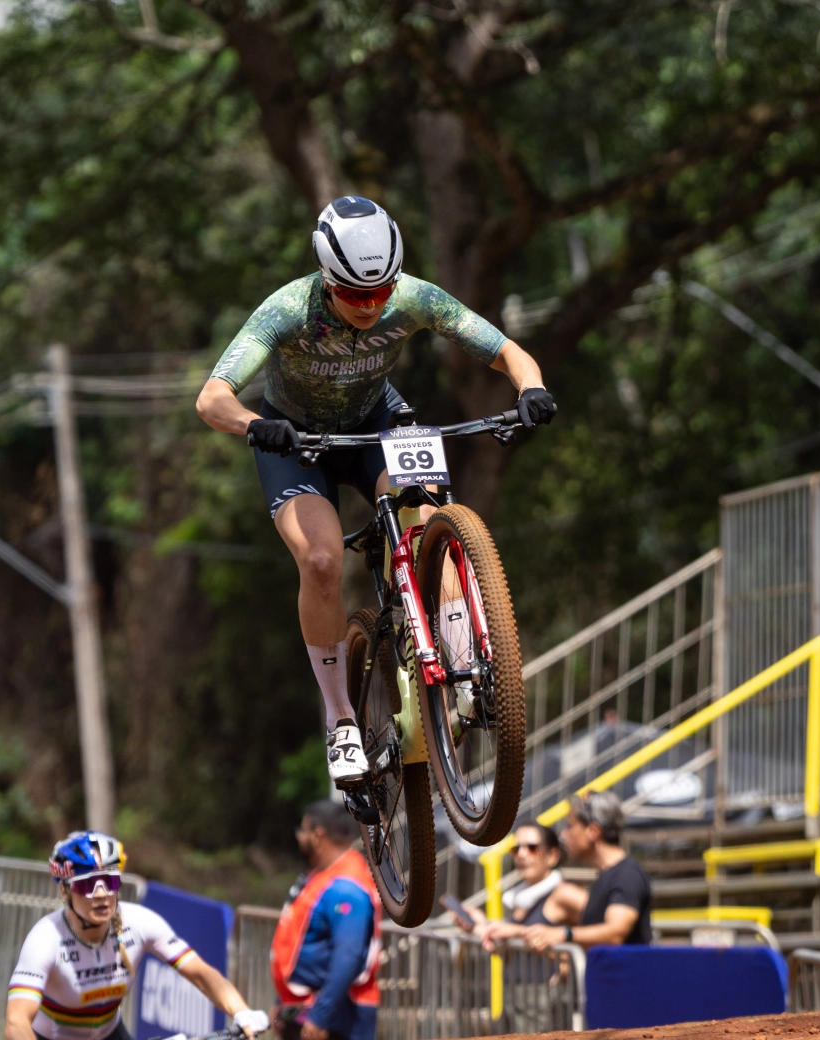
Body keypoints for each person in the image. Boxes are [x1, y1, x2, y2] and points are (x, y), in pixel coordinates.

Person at [196, 196, 556, 786]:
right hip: (298, 441)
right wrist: (256, 426)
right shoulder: (286, 309)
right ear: (325, 278)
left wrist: (531, 387)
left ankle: (463, 659)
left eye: (381, 293)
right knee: (319, 561)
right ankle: (341, 718)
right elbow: (211, 398)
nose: (371, 306)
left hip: (375, 425)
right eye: (356, 295)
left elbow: (506, 350)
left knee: (427, 509)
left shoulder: (414, 296)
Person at [7, 831, 267, 1040]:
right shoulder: (46, 938)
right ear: (65, 892)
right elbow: (16, 1022)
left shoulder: (138, 922)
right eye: (87, 884)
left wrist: (241, 1011)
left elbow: (201, 973)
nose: (101, 894)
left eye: (109, 882)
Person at [271, 801, 380, 1040]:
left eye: (303, 830)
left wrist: (321, 1015)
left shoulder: (347, 886)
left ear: (318, 836)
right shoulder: (321, 874)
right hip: (305, 1009)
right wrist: (284, 1002)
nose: (299, 837)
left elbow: (348, 955)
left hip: (335, 1018)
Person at [523, 791, 651, 950]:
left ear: (593, 831)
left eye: (570, 826)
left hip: (625, 975)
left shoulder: (627, 875)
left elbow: (616, 933)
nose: (563, 834)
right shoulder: (607, 876)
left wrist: (564, 934)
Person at [472, 823, 585, 952]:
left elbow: (608, 930)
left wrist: (564, 935)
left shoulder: (564, 893)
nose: (521, 854)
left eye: (532, 848)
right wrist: (480, 925)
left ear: (552, 855)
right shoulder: (520, 899)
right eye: (516, 849)